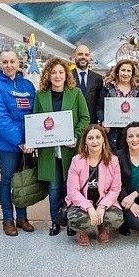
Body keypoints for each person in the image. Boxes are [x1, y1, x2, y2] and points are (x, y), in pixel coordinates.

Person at [0, 49, 37, 236]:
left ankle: (22, 217)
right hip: (6, 145)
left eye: (12, 61)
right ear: (0, 64)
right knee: (7, 179)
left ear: (18, 63)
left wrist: (33, 139)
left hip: (27, 144)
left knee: (22, 180)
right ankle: (8, 219)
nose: (9, 65)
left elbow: (35, 113)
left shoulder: (28, 85)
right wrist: (19, 140)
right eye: (5, 62)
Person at [34, 57, 90, 236]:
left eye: (61, 72)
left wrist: (76, 135)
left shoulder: (76, 93)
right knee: (54, 187)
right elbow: (36, 121)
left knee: (72, 186)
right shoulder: (40, 95)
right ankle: (55, 221)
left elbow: (85, 118)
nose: (57, 76)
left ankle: (72, 222)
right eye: (53, 72)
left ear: (66, 75)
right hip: (49, 151)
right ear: (48, 75)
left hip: (70, 149)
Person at [65, 125, 125, 246]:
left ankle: (102, 227)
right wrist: (89, 208)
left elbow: (115, 189)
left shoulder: (113, 160)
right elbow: (72, 191)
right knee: (77, 219)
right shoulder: (77, 160)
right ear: (85, 142)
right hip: (81, 202)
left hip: (104, 201)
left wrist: (102, 206)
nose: (95, 141)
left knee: (115, 219)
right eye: (90, 138)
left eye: (98, 137)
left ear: (103, 140)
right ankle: (82, 231)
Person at [96, 59, 139, 150]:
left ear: (132, 73)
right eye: (123, 70)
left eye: (128, 71)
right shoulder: (107, 88)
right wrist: (103, 121)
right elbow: (99, 108)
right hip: (112, 134)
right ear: (117, 72)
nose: (125, 73)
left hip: (132, 134)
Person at [70, 44, 104, 125]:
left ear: (89, 57)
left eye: (86, 55)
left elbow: (100, 103)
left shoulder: (97, 78)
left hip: (92, 123)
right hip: (73, 123)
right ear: (74, 56)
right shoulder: (68, 76)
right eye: (80, 54)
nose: (83, 57)